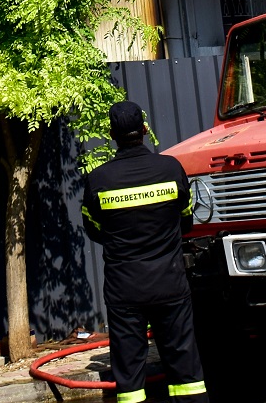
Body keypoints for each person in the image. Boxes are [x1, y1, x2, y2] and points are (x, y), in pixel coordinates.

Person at [81, 100, 207, 403]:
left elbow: (94, 229)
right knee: (185, 369)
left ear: (112, 134)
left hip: (124, 288)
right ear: (145, 130)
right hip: (170, 282)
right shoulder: (171, 168)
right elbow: (186, 220)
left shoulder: (99, 180)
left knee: (130, 375)